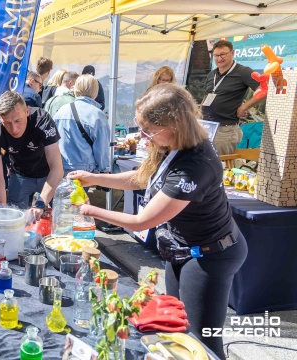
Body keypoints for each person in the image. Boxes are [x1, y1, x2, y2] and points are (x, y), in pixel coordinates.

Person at [67, 84, 247, 359]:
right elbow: (141, 178)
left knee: (203, 343)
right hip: (182, 250)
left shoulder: (195, 165)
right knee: (178, 331)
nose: (143, 136)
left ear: (172, 124)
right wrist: (94, 178)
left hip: (211, 254)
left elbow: (142, 221)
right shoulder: (170, 144)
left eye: (148, 129)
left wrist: (91, 211)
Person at [0, 91, 63, 220]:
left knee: (60, 215)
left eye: (18, 121)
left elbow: (57, 168)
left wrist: (40, 203)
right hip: (20, 175)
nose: (14, 129)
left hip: (48, 174)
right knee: (15, 217)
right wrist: (3, 214)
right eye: (7, 123)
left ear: (26, 111)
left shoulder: (42, 120)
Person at [202, 40, 263, 155]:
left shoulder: (243, 72)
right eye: (216, 55)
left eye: (223, 54)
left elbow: (264, 90)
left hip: (225, 129)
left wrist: (244, 107)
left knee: (221, 165)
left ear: (232, 53)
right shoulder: (212, 74)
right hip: (206, 127)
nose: (219, 58)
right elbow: (206, 97)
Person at [53, 74, 111, 175]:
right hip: (84, 170)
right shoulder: (97, 114)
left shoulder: (62, 110)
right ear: (95, 91)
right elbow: (102, 149)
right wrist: (104, 170)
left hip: (61, 167)